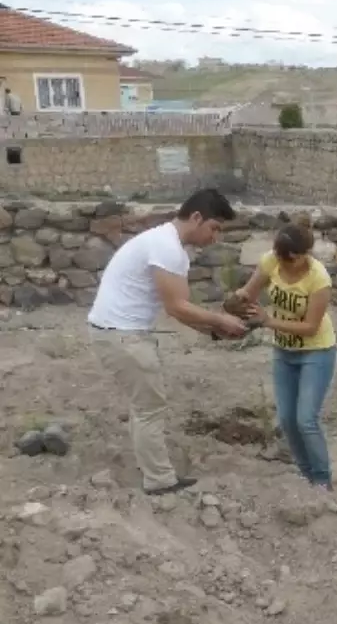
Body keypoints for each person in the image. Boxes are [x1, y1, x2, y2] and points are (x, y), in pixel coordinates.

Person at [87, 188, 248, 495]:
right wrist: (220, 320)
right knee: (150, 408)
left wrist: (212, 332)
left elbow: (175, 308)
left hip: (114, 332)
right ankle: (159, 481)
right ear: (197, 217)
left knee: (144, 405)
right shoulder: (167, 248)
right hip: (123, 336)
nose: (215, 237)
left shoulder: (162, 242)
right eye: (214, 228)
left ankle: (151, 469)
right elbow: (177, 307)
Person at [235, 224, 337, 491]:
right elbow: (250, 291)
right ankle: (307, 477)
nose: (284, 264)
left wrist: (268, 321)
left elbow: (311, 326)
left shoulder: (319, 278)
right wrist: (237, 301)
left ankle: (323, 480)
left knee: (306, 419)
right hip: (284, 351)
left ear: (303, 255)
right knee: (288, 420)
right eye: (280, 258)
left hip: (316, 350)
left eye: (290, 259)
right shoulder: (271, 261)